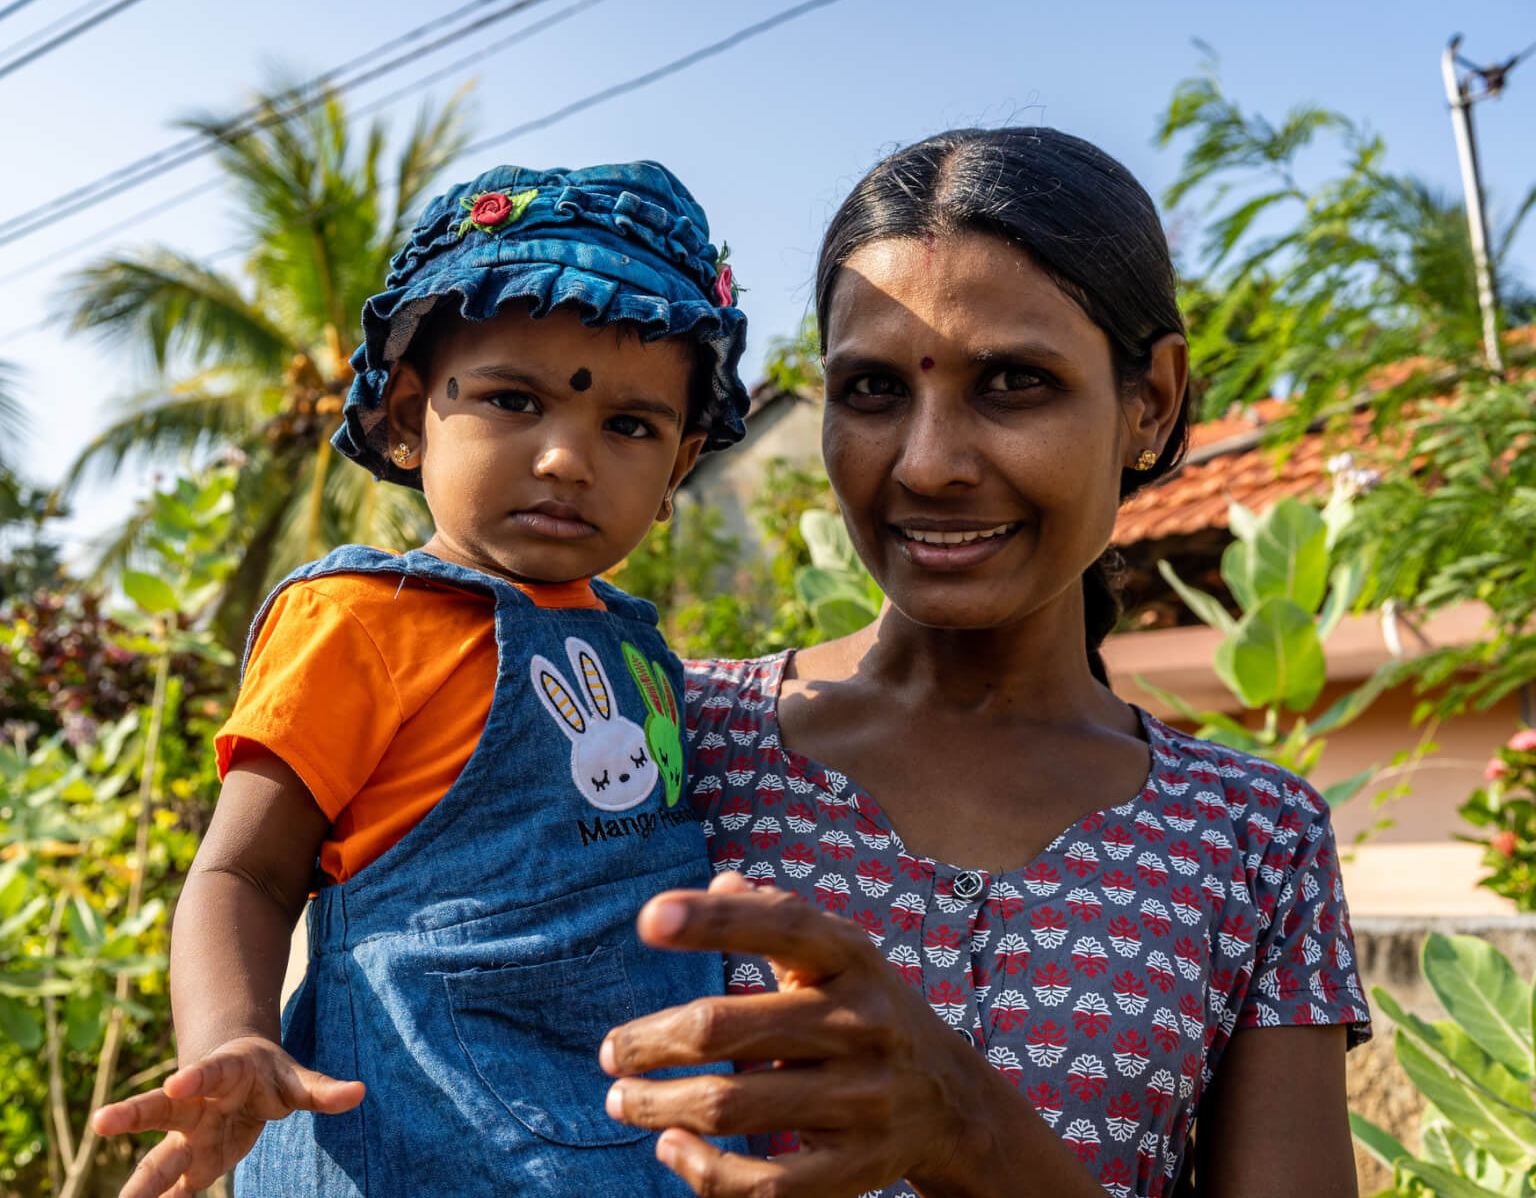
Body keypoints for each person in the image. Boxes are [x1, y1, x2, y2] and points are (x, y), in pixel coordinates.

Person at [595, 128, 1370, 1198]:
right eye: (871, 391)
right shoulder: (664, 742)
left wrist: (969, 1129)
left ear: (1152, 400)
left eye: (1013, 382)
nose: (929, 462)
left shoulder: (1252, 841)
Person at [88, 160, 752, 1198]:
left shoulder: (636, 643)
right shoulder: (361, 623)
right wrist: (234, 1037)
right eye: (512, 401)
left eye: (630, 425)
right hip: (420, 1148)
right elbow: (243, 875)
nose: (568, 458)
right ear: (406, 416)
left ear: (678, 467)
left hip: (637, 1148)